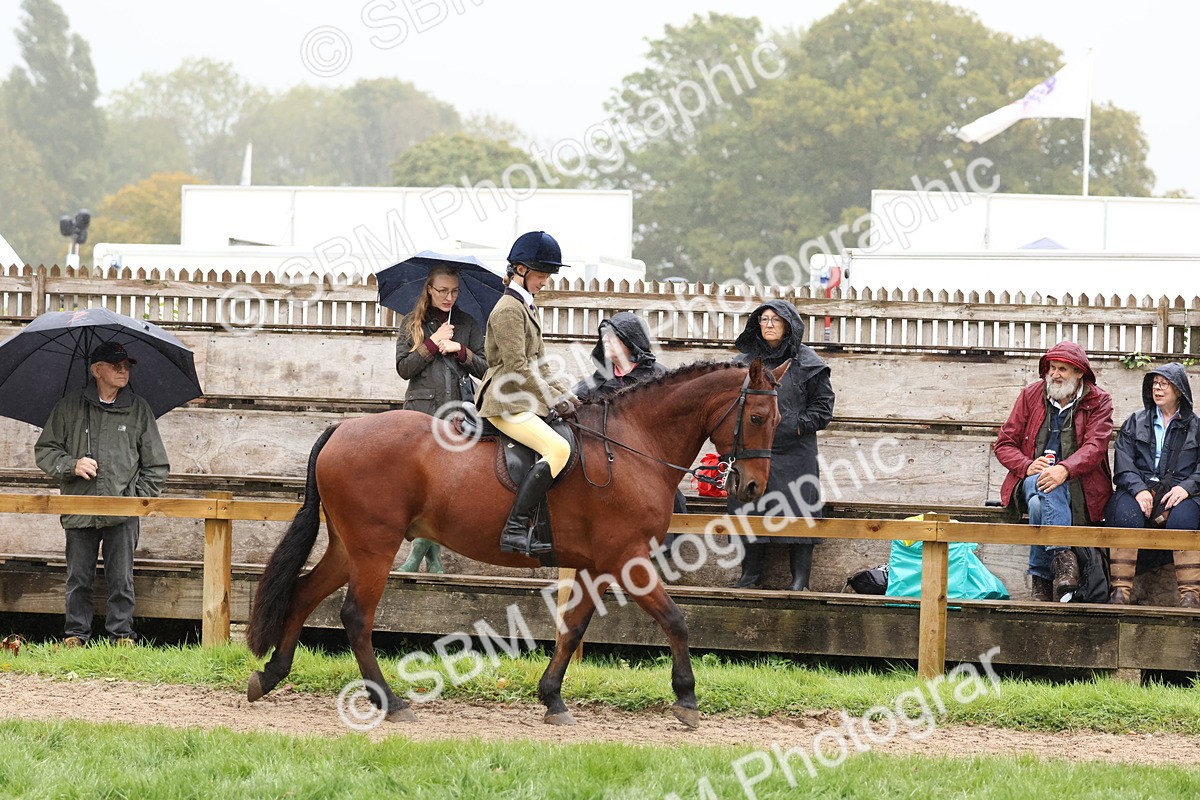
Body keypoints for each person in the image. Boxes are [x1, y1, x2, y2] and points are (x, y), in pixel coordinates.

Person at [34, 341, 170, 646]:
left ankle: (122, 636)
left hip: (122, 513)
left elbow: (157, 464)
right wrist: (72, 464)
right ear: (97, 370)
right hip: (79, 508)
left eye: (127, 366)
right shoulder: (69, 407)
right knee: (78, 578)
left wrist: (135, 498)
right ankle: (75, 636)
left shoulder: (138, 409)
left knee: (121, 579)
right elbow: (44, 450)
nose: (124, 371)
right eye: (115, 365)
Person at [476, 231, 579, 555]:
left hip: (525, 397)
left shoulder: (527, 307)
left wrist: (570, 394)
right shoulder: (508, 309)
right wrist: (553, 399)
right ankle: (516, 529)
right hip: (505, 401)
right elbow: (519, 367)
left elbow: (542, 366)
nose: (546, 281)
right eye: (541, 274)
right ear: (520, 270)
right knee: (558, 449)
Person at [994, 342, 1114, 601]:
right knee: (1045, 482)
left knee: (1040, 504)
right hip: (1032, 480)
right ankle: (1063, 558)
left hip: (1079, 486)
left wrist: (1065, 468)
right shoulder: (1030, 395)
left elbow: (1096, 446)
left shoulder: (1099, 400)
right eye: (1052, 368)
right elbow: (1003, 444)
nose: (1055, 374)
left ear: (1080, 372)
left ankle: (1041, 582)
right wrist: (1026, 466)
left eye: (1063, 369)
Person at [729, 300, 835, 591]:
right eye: (764, 319)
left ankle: (800, 580)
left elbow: (823, 409)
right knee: (749, 507)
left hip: (795, 452)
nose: (770, 324)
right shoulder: (744, 363)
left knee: (799, 509)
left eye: (776, 319)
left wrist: (795, 425)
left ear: (788, 324)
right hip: (752, 451)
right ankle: (750, 576)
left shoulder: (809, 362)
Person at [394, 264, 488, 573]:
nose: (450, 297)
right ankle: (429, 555)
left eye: (455, 291)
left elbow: (486, 367)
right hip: (420, 413)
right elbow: (404, 368)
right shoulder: (412, 323)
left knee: (445, 485)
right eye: (443, 291)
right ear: (429, 290)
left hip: (458, 412)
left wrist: (459, 348)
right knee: (418, 486)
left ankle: (422, 554)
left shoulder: (467, 323)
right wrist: (433, 343)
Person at [571, 312, 690, 549]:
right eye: (603, 336)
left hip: (648, 469)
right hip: (605, 473)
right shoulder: (594, 384)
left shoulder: (660, 379)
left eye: (612, 336)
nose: (605, 340)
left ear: (630, 341)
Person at [1106, 364, 1200, 607]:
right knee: (1124, 516)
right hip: (1139, 487)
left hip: (1182, 491)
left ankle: (1190, 595)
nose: (1157, 388)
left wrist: (1187, 488)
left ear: (1179, 390)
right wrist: (1138, 490)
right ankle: (1120, 591)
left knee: (1185, 521)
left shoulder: (1196, 426)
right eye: (1154, 383)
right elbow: (1124, 464)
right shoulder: (1134, 422)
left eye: (1163, 383)